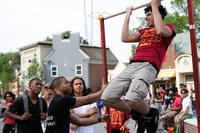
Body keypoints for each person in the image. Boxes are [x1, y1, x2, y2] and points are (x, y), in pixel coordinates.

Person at [101, 0, 176, 120]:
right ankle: (136, 114)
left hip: (148, 66)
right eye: (146, 16)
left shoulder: (169, 28)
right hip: (132, 66)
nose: (146, 18)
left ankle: (151, 112)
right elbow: (125, 38)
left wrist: (154, 6)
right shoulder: (143, 31)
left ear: (159, 14)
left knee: (131, 99)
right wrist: (128, 14)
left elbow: (161, 31)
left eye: (149, 15)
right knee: (106, 98)